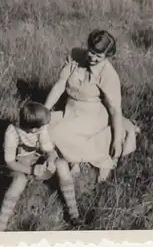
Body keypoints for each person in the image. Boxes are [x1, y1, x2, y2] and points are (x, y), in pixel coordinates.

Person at [44, 29, 140, 183]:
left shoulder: (108, 75)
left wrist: (116, 141)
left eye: (98, 56)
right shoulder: (75, 55)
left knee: (58, 133)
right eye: (91, 52)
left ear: (108, 56)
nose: (92, 58)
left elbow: (115, 110)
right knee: (43, 127)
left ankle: (78, 159)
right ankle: (73, 160)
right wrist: (45, 109)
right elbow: (60, 84)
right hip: (70, 109)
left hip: (91, 114)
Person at [0, 101, 81, 232]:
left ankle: (74, 214)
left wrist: (51, 159)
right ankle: (0, 227)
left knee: (62, 164)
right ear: (33, 128)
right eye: (42, 126)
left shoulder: (41, 129)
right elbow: (10, 162)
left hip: (36, 160)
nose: (45, 128)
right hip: (18, 165)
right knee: (19, 181)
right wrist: (31, 170)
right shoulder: (12, 133)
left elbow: (48, 149)